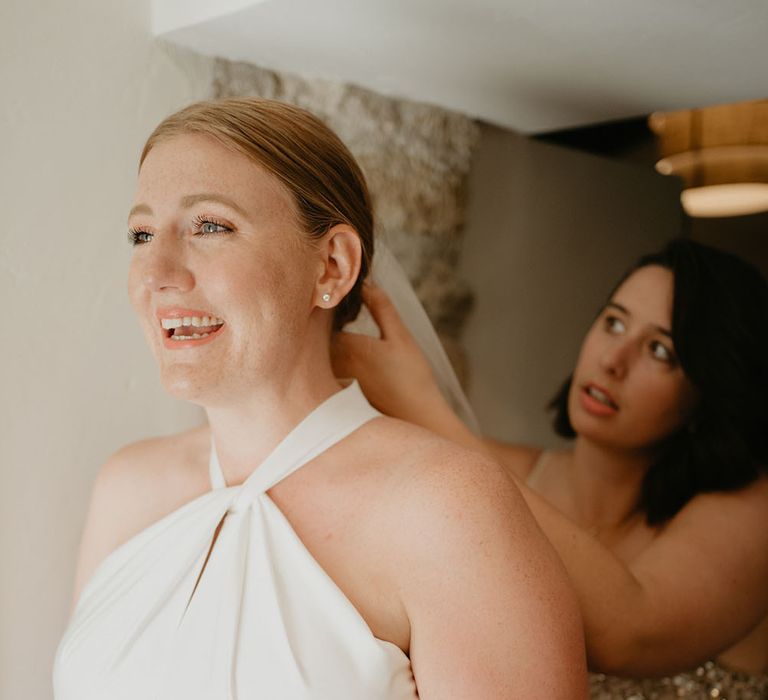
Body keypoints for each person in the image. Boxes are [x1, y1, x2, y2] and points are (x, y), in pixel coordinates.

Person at [52, 98, 587, 699]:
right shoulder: (126, 486)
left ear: (331, 266)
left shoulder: (444, 506)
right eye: (142, 234)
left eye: (210, 226)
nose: (156, 273)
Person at [332, 239, 768, 698]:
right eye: (614, 323)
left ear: (712, 389)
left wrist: (423, 405)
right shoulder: (486, 468)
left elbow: (629, 634)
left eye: (660, 351)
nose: (612, 361)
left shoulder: (752, 509)